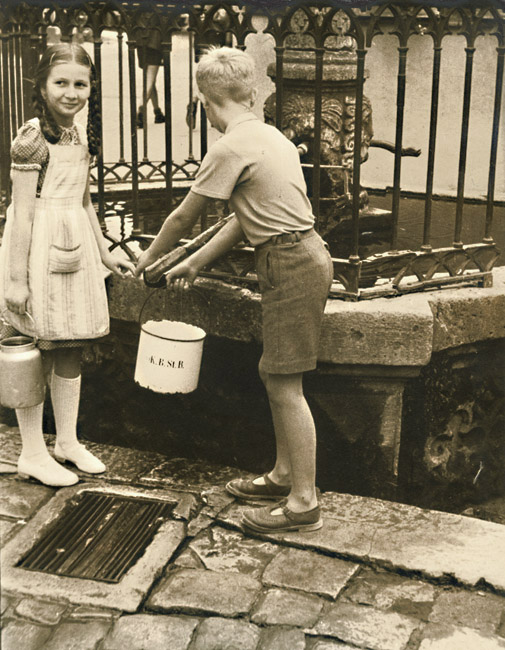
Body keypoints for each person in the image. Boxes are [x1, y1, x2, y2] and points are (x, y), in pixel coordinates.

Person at [135, 47, 333, 533]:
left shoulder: (227, 148)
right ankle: (285, 475)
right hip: (300, 255)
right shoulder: (270, 137)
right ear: (250, 93)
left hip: (290, 262)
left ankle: (304, 502)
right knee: (276, 375)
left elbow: (184, 215)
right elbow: (243, 221)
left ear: (206, 101)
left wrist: (149, 259)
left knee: (285, 382)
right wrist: (195, 262)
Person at [0, 43, 135, 487]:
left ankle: (68, 441)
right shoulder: (32, 138)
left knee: (72, 342)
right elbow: (20, 214)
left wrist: (103, 251)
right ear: (42, 86)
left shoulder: (82, 134)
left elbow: (84, 200)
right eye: (61, 83)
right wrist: (16, 280)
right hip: (37, 246)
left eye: (81, 84)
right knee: (36, 349)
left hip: (74, 244)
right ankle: (33, 453)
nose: (71, 93)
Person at [136, 29, 165, 128]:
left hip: (140, 39)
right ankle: (141, 107)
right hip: (155, 40)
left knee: (149, 79)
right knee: (150, 78)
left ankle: (157, 112)